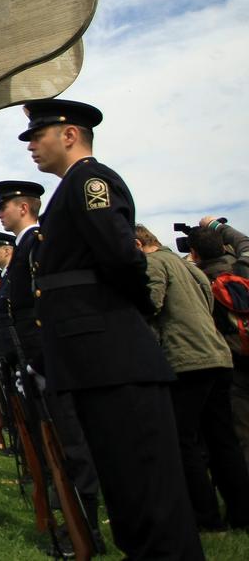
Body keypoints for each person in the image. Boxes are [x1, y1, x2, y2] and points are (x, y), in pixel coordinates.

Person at [20, 98, 201, 558]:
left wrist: (133, 311)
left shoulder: (91, 183)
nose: (31, 147)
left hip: (113, 355)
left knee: (146, 483)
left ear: (69, 135)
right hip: (94, 360)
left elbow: (121, 257)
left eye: (38, 136)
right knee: (124, 482)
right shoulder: (69, 191)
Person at [0, 177, 103, 550]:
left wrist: (39, 360)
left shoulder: (38, 245)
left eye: (4, 206)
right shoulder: (26, 250)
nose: (0, 213)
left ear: (23, 208)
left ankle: (86, 530)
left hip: (49, 361)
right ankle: (71, 522)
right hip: (34, 363)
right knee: (54, 444)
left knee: (70, 445)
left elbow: (43, 308)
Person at [137, 223, 249, 530]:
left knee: (184, 441)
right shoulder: (189, 267)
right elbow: (209, 303)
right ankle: (241, 513)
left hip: (186, 359)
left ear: (137, 243)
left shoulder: (154, 263)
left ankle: (205, 518)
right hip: (217, 355)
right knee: (222, 439)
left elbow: (151, 305)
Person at [189, 218, 249, 469]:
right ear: (225, 247)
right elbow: (244, 242)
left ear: (194, 253)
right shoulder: (243, 266)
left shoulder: (197, 280)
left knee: (244, 435)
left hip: (234, 366)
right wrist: (216, 226)